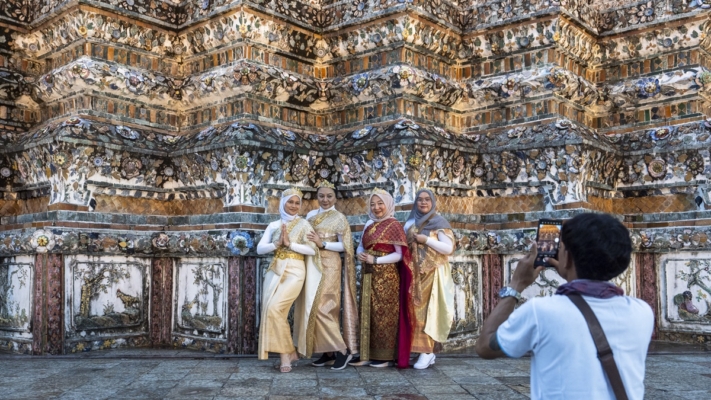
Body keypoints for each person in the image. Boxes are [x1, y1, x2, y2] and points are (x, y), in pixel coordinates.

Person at [475, 213, 654, 400]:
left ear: (567, 258)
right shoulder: (642, 311)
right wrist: (572, 271)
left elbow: (485, 347)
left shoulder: (542, 312)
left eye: (560, 248)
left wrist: (516, 284)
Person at [257, 187, 321, 373]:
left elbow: (312, 250)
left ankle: (288, 354)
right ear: (282, 202)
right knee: (271, 310)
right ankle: (288, 354)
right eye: (290, 202)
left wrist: (290, 244)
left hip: (295, 271)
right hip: (275, 270)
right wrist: (276, 244)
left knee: (275, 308)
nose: (293, 206)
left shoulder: (304, 225)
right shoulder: (274, 226)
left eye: (296, 203)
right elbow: (260, 249)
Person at [351, 188, 411, 368]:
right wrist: (360, 254)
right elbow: (361, 246)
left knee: (384, 315)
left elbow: (400, 255)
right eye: (373, 204)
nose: (376, 208)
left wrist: (376, 259)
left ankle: (384, 356)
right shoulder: (369, 225)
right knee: (367, 313)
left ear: (388, 205)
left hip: (387, 277)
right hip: (369, 274)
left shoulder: (394, 225)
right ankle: (366, 353)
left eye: (380, 203)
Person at [305, 181, 359, 370]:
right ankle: (327, 352)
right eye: (321, 196)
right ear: (317, 197)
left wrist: (323, 244)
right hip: (312, 263)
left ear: (335, 198)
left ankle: (342, 351)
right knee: (313, 305)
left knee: (325, 306)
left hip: (330, 264)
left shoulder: (339, 217)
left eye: (329, 196)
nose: (325, 199)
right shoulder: (311, 216)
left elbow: (346, 246)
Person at [404, 188, 455, 369]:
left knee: (427, 311)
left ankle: (427, 351)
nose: (423, 203)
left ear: (433, 202)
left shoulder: (438, 222)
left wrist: (426, 241)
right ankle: (421, 350)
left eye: (427, 200)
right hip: (414, 273)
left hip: (432, 273)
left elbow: (447, 249)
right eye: (420, 200)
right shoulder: (411, 222)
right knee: (413, 311)